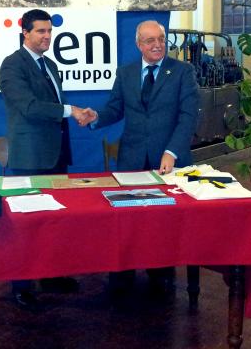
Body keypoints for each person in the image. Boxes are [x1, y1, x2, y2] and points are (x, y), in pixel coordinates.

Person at [82, 20, 199, 299]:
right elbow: (115, 109)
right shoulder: (126, 73)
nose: (157, 45)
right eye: (150, 40)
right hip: (131, 158)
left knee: (163, 221)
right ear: (138, 45)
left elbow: (188, 116)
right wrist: (96, 117)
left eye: (161, 39)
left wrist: (172, 151)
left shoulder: (183, 71)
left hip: (168, 161)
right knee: (127, 219)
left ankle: (161, 273)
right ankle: (123, 272)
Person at [0, 8, 92, 309]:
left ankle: (52, 275)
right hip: (30, 157)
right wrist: (70, 111)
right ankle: (21, 286)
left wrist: (77, 113)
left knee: (55, 220)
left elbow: (55, 106)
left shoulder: (50, 65)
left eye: (50, 31)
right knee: (26, 223)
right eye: (40, 31)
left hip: (56, 154)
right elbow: (28, 106)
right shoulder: (12, 65)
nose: (47, 37)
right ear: (25, 33)